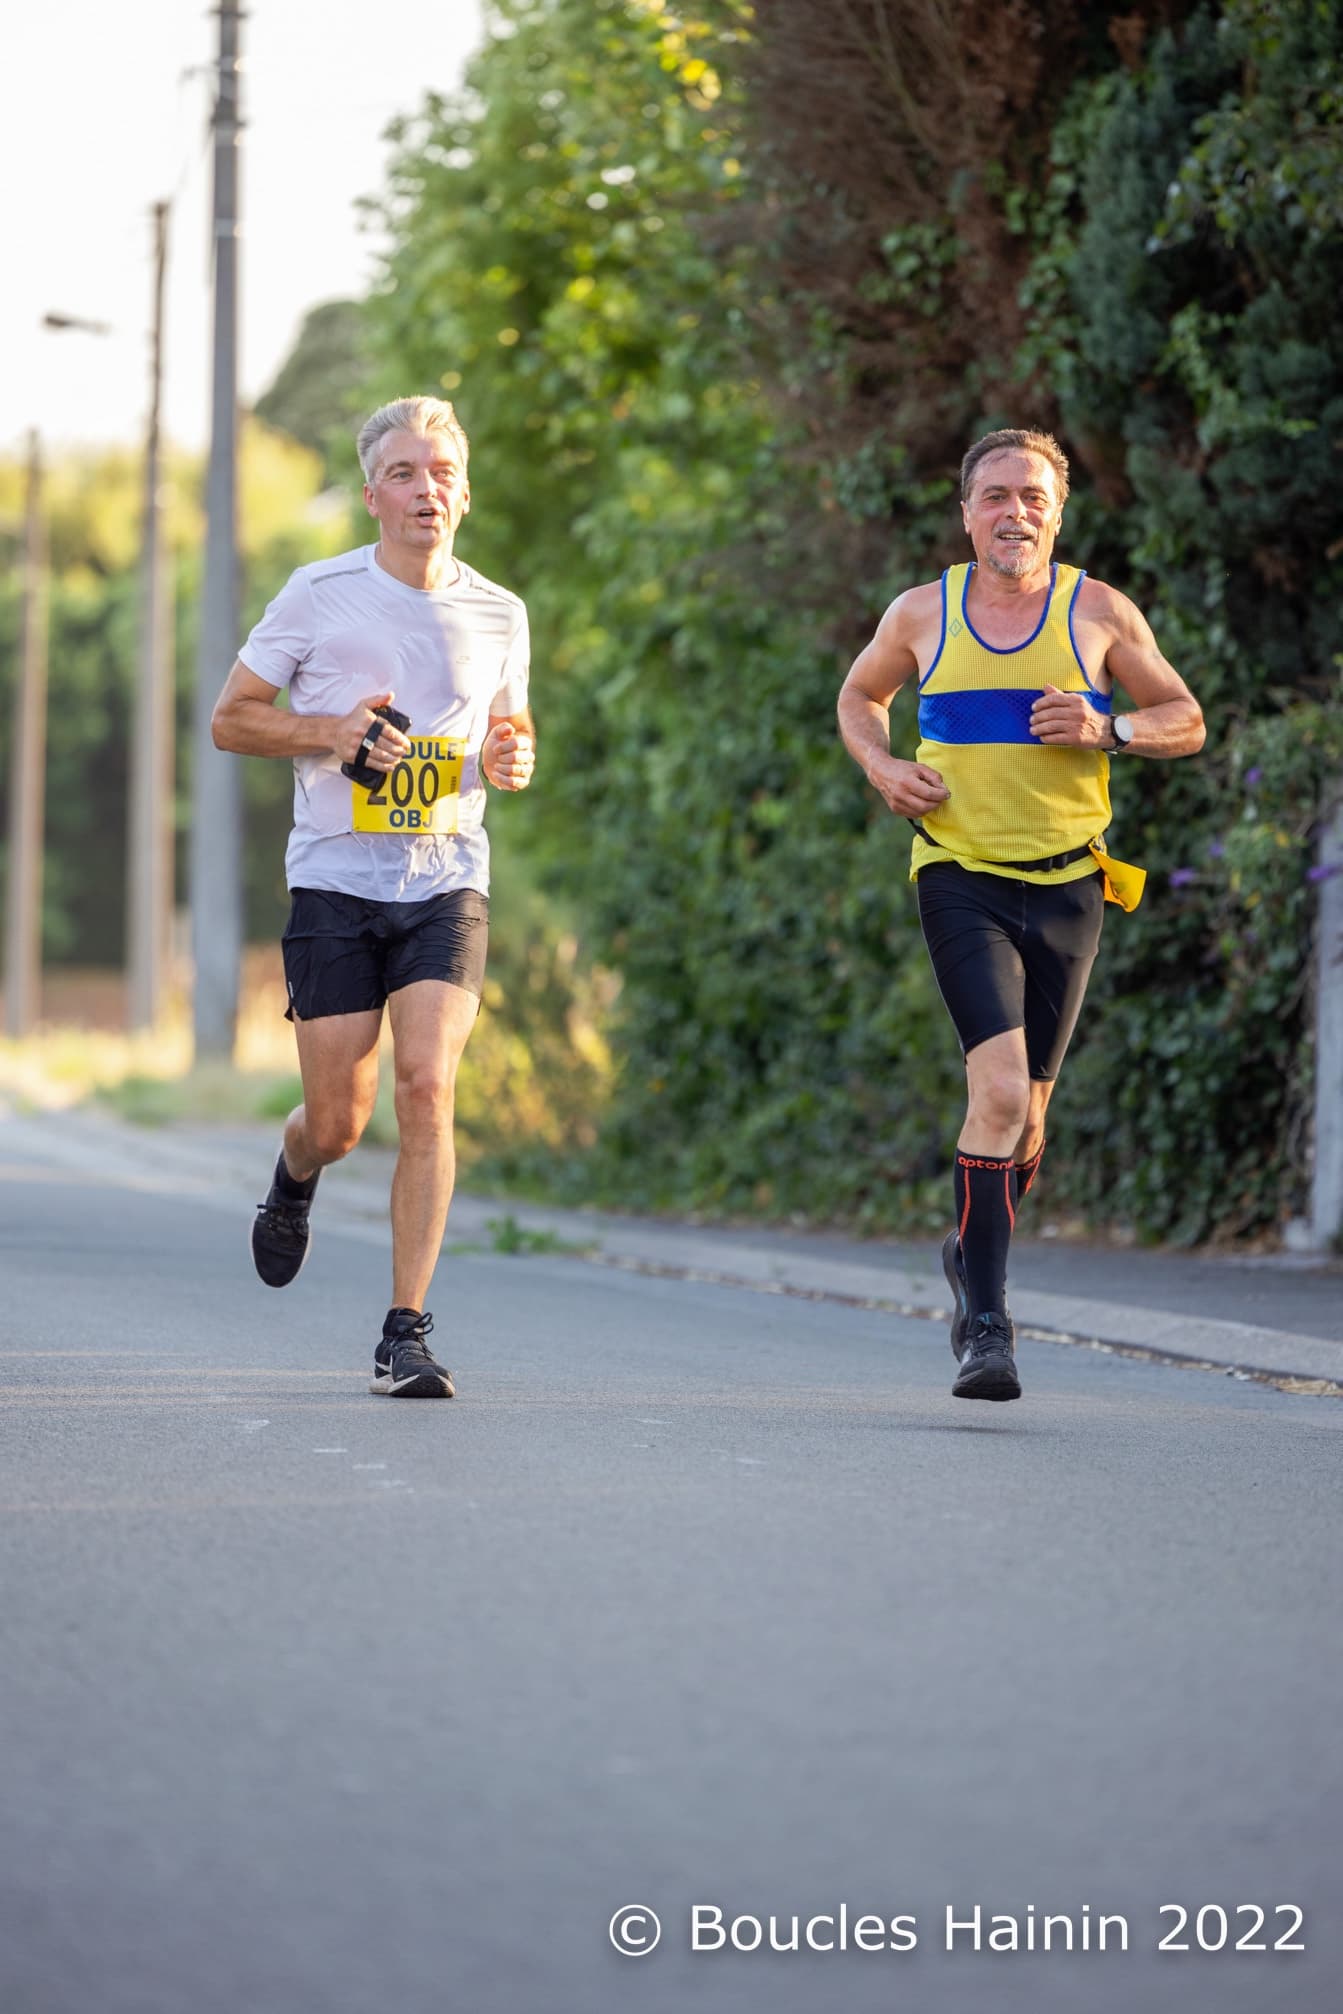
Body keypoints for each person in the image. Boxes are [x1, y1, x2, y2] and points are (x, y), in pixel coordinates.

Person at [837, 428, 1204, 1402]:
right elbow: (858, 696)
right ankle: (986, 1328)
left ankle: (968, 1249)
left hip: (1067, 884)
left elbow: (1185, 717)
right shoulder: (923, 613)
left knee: (1029, 1118)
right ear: (965, 513)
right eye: (994, 496)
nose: (1014, 513)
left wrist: (1108, 727)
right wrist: (880, 766)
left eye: (1032, 497)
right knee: (995, 1090)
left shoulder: (1098, 613)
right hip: (957, 872)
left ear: (1057, 511)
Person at [211, 395, 535, 1399]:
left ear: (464, 493)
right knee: (339, 1120)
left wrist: (510, 757)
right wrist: (332, 731)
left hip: (446, 878)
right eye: (403, 472)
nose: (425, 487)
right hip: (335, 881)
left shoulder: (499, 610)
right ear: (371, 496)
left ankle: (406, 1329)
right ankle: (295, 1172)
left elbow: (508, 740)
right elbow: (231, 720)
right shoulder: (318, 595)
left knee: (429, 1086)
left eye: (441, 471)